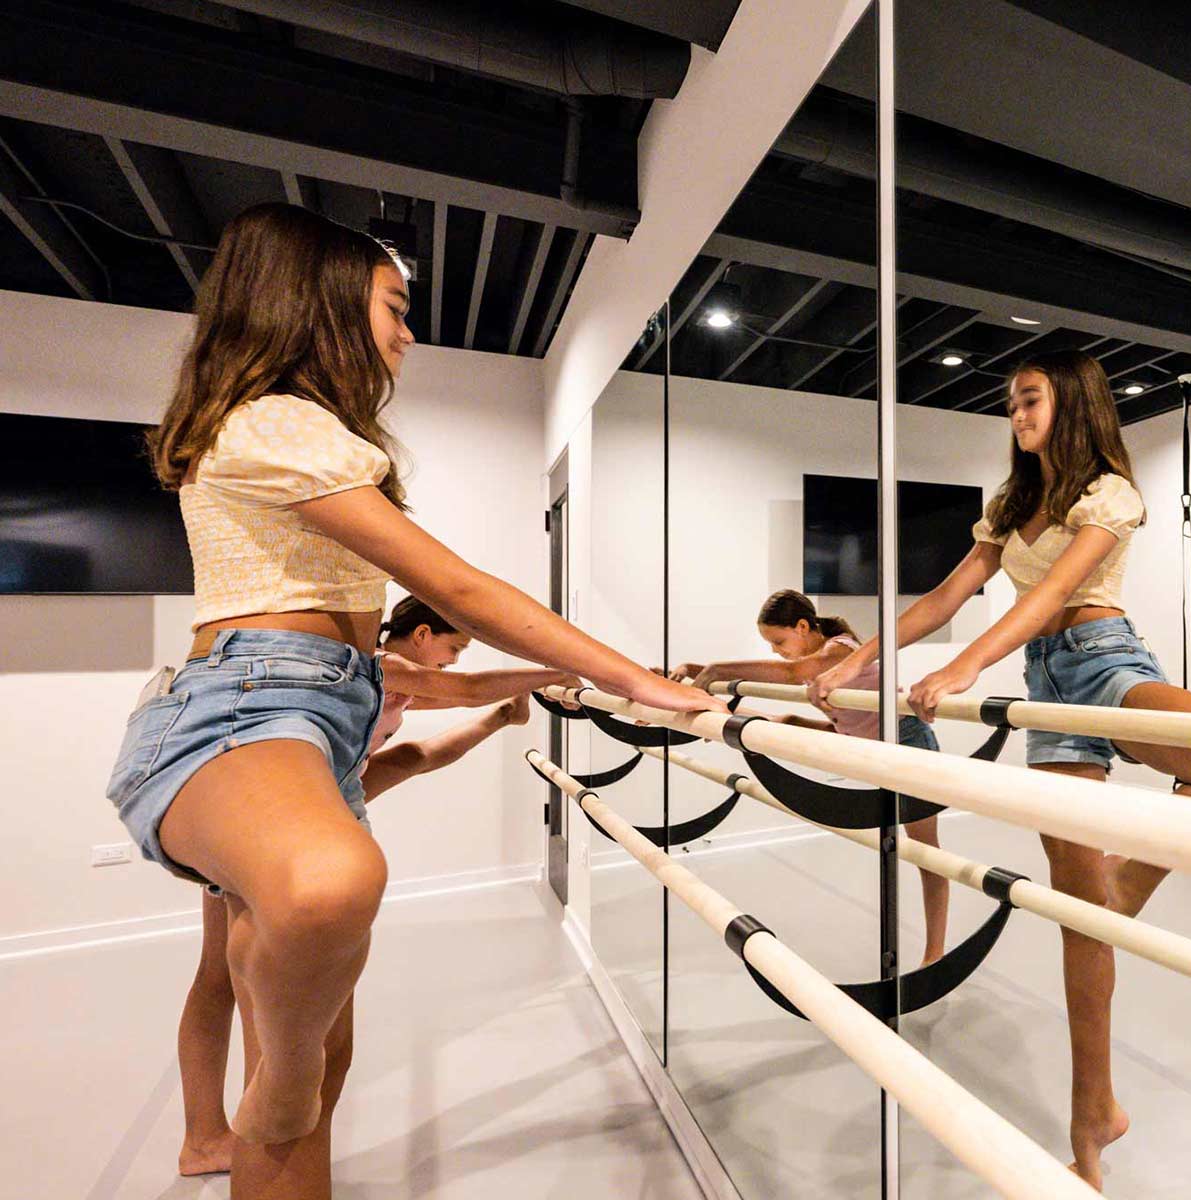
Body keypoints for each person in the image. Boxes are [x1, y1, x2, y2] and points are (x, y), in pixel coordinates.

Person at [108, 202, 721, 1200]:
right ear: (319, 308)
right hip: (248, 707)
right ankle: (274, 1085)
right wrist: (633, 677)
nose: (406, 332)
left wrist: (548, 687)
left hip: (320, 715)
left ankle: (282, 1097)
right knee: (327, 891)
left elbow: (454, 676)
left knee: (317, 1064)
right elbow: (465, 590)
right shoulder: (273, 423)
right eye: (393, 307)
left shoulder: (300, 434)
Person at [805, 350, 1191, 1188]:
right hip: (1044, 688)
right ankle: (1093, 1121)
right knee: (1076, 918)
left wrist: (964, 668)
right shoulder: (1008, 505)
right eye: (1010, 403)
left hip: (1105, 663)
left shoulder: (1110, 493)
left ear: (1074, 405)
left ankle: (1121, 897)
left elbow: (1053, 595)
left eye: (1030, 400)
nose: (1016, 416)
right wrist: (859, 662)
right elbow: (947, 596)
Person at [174, 596, 580, 1176]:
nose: (450, 662)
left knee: (222, 977)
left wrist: (498, 719)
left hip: (286, 807)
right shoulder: (366, 667)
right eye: (450, 648)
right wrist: (573, 669)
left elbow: (416, 754)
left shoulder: (393, 691)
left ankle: (205, 1140)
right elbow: (467, 688)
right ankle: (250, 1151)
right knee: (276, 1012)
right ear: (419, 635)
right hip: (276, 821)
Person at [671, 588, 951, 966]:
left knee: (926, 853)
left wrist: (717, 669)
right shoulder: (817, 656)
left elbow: (791, 673)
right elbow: (787, 672)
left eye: (778, 641)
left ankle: (934, 953)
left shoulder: (838, 649)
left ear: (803, 626)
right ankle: (715, 717)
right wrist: (697, 670)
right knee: (781, 723)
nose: (775, 650)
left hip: (906, 740)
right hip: (863, 741)